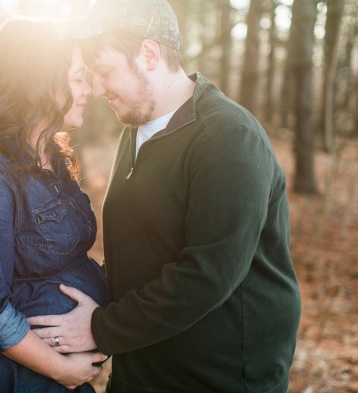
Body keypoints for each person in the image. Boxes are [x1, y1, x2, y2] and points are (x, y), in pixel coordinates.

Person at [27, 1, 302, 392]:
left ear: (149, 54)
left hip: (218, 378)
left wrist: (100, 328)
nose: (98, 88)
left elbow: (208, 274)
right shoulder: (138, 128)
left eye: (104, 71)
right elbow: (143, 248)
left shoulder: (228, 138)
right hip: (142, 366)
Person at [0, 19, 110, 392]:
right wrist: (61, 369)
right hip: (13, 379)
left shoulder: (52, 159)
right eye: (78, 78)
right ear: (40, 82)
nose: (89, 90)